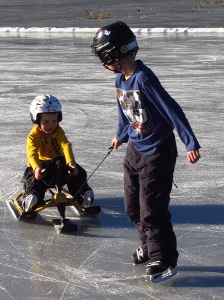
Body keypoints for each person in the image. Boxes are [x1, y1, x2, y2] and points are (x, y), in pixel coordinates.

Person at [91, 21, 201, 277]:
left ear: (116, 54)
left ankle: (163, 257)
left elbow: (172, 110)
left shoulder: (144, 78)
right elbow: (124, 111)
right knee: (132, 208)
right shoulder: (120, 78)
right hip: (135, 152)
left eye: (103, 58)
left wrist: (190, 141)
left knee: (152, 209)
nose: (103, 64)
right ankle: (148, 246)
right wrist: (120, 135)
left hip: (157, 153)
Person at [22, 94, 94, 231]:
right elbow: (31, 154)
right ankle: (32, 197)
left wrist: (71, 163)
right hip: (41, 165)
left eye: (54, 121)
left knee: (78, 172)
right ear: (36, 120)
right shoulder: (33, 136)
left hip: (58, 163)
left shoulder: (59, 131)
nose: (51, 125)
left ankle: (82, 193)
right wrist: (36, 168)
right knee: (31, 178)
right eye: (46, 122)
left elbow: (66, 145)